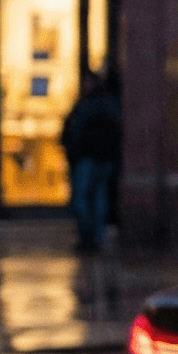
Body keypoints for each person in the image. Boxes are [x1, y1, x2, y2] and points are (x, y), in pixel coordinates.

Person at [59, 68, 125, 252]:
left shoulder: (88, 103)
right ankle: (95, 236)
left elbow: (75, 129)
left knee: (83, 198)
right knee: (97, 197)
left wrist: (72, 147)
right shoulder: (109, 102)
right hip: (102, 158)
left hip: (88, 157)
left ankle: (88, 236)